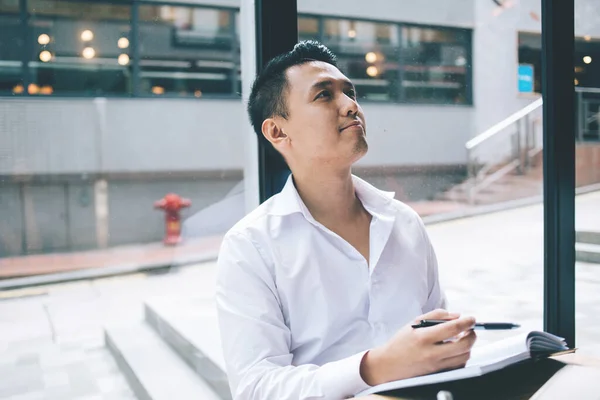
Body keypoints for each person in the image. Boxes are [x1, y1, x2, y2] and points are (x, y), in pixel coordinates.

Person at [216, 40, 476, 400]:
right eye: (324, 95)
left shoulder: (405, 223)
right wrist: (374, 367)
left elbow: (434, 340)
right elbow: (256, 388)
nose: (351, 106)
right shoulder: (250, 246)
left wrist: (451, 345)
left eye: (350, 92)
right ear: (278, 132)